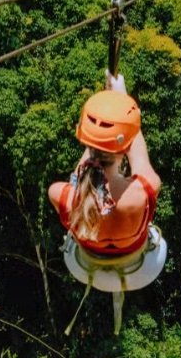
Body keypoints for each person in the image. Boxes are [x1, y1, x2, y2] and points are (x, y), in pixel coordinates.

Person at [48, 72, 161, 258]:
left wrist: (99, 129)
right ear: (126, 146)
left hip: (89, 257)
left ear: (83, 137)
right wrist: (122, 98)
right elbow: (139, 157)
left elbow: (77, 181)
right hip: (132, 255)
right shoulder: (145, 190)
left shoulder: (60, 195)